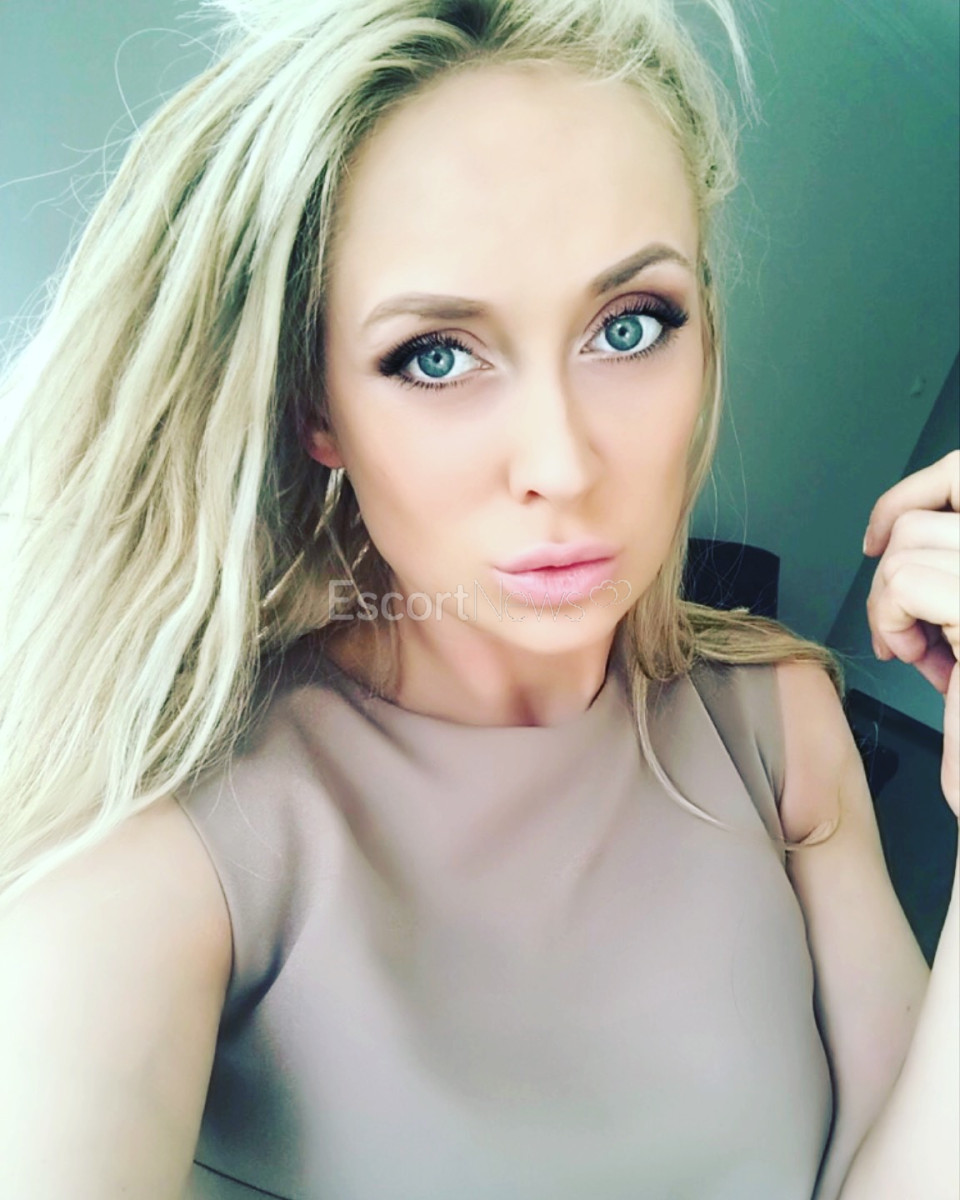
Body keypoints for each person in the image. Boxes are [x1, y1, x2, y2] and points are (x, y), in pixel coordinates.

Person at [0, 1, 956, 1197]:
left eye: (628, 327)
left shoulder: (777, 717)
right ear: (317, 409)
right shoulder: (181, 834)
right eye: (436, 355)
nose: (561, 462)